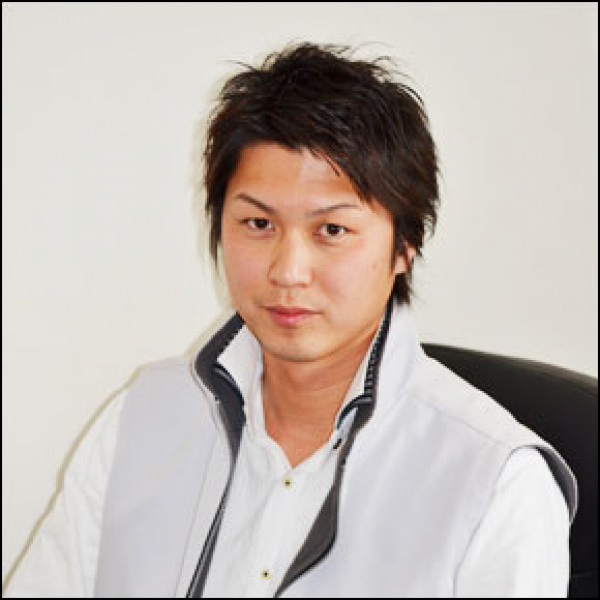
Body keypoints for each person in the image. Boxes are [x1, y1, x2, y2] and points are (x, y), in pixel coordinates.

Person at [5, 42, 577, 598]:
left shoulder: (497, 483)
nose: (288, 271)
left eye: (332, 230)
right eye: (258, 224)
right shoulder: (142, 417)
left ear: (405, 246)